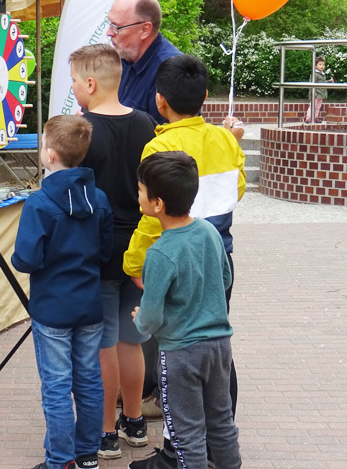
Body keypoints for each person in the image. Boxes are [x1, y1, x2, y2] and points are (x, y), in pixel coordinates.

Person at [124, 55, 245, 469]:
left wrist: (133, 262)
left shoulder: (159, 146)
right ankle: (220, 446)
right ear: (206, 96)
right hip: (216, 253)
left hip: (172, 260)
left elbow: (149, 219)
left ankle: (180, 452)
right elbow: (238, 189)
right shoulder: (226, 140)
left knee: (180, 365)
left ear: (160, 102)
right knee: (216, 351)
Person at [68, 44, 156, 460]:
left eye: (73, 81)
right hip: (139, 250)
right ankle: (135, 421)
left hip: (98, 251)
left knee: (102, 343)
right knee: (131, 340)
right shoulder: (145, 124)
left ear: (89, 83)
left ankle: (104, 431)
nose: (73, 88)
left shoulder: (80, 131)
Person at [12, 115, 114, 469]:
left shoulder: (39, 203)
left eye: (42, 144)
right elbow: (104, 252)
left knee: (56, 386)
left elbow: (25, 259)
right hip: (89, 305)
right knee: (88, 379)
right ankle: (87, 454)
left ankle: (60, 460)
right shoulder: (99, 198)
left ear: (50, 156)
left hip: (52, 308)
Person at [131, 150, 242, 469]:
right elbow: (225, 278)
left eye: (140, 190)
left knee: (187, 432)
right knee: (221, 422)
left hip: (181, 353)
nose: (136, 195)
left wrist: (141, 321)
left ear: (157, 204)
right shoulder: (209, 232)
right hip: (219, 347)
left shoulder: (159, 254)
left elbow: (150, 317)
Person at [106, 0, 182, 124]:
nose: (109, 33)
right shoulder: (125, 57)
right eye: (109, 24)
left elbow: (177, 138)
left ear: (145, 29)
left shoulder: (172, 73)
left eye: (116, 27)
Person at [305, 56, 333, 123]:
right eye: (320, 64)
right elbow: (311, 83)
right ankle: (308, 118)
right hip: (316, 93)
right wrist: (313, 91)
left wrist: (329, 81)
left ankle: (315, 117)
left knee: (318, 107)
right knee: (312, 106)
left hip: (321, 93)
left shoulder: (322, 74)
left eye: (323, 64)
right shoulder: (315, 74)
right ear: (315, 65)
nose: (322, 66)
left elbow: (322, 83)